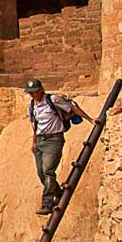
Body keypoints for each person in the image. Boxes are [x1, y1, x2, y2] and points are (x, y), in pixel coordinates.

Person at [25, 77, 93, 215]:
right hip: (40, 141)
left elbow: (72, 108)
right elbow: (35, 124)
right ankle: (58, 193)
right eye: (30, 93)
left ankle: (48, 203)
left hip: (54, 140)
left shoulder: (53, 100)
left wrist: (90, 119)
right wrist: (33, 142)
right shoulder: (32, 105)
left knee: (48, 171)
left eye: (35, 92)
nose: (33, 95)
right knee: (41, 173)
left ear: (40, 90)